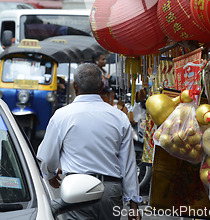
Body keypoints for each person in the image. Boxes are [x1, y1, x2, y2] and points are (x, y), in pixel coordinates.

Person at [36, 63, 142, 220]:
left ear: (74, 86)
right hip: (110, 192)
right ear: (101, 86)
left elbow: (47, 158)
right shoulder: (118, 117)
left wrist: (50, 174)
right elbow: (128, 164)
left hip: (77, 189)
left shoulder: (62, 116)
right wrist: (133, 205)